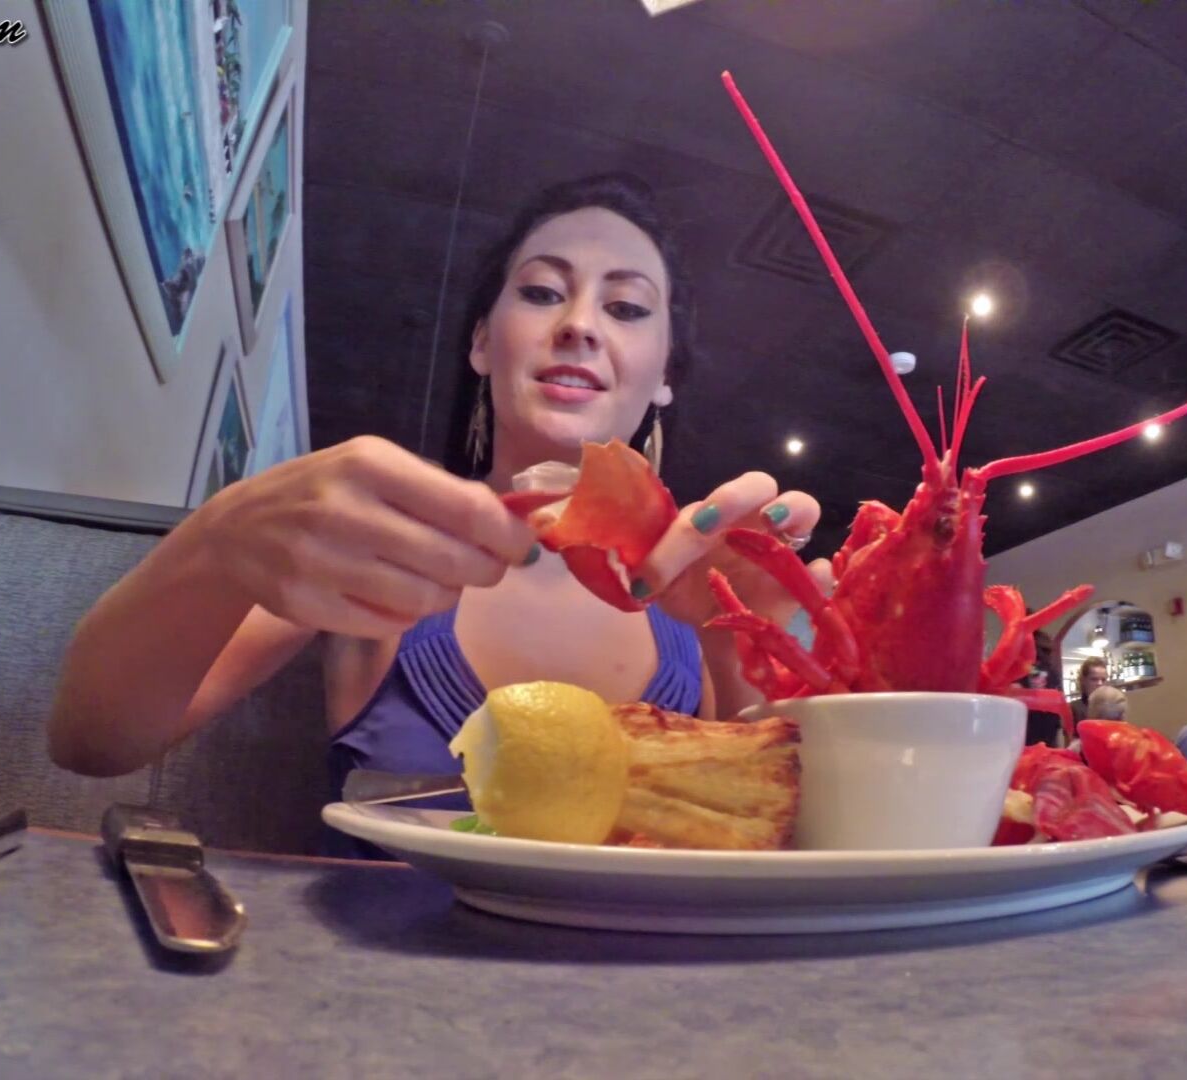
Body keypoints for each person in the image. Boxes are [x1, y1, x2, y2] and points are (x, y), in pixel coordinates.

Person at [47, 174, 825, 806]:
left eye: (625, 308)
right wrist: (223, 539)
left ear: (664, 376)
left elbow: (760, 839)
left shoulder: (704, 599)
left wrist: (737, 643)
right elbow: (93, 741)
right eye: (543, 292)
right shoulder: (383, 540)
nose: (580, 324)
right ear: (482, 342)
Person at [1070, 657, 1108, 731]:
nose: (1100, 683)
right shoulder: (1074, 709)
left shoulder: (1111, 707)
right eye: (1094, 679)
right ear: (1083, 680)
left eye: (1103, 680)